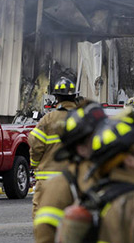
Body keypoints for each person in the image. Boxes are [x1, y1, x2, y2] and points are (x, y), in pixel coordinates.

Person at [33, 101, 108, 243]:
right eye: (97, 136)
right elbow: (45, 234)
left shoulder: (110, 174)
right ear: (81, 148)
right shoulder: (61, 188)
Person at [28, 77, 78, 218]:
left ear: (56, 98)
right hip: (74, 180)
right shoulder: (83, 119)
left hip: (47, 180)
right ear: (74, 97)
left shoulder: (47, 120)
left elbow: (35, 144)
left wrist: (34, 163)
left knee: (42, 217)